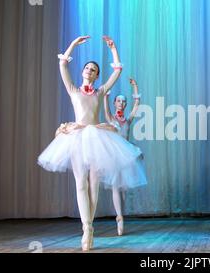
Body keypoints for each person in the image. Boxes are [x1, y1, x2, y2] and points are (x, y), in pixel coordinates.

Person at [38, 35, 143, 251]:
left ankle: (90, 226)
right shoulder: (73, 90)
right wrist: (73, 45)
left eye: (93, 69)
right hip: (77, 136)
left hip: (96, 136)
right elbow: (62, 64)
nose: (89, 70)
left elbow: (117, 71)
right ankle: (86, 228)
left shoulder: (100, 91)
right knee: (80, 183)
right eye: (87, 67)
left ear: (96, 76)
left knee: (93, 185)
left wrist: (113, 49)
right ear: (82, 71)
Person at [103, 78, 147, 236]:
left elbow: (137, 105)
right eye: (119, 100)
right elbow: (105, 105)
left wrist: (135, 87)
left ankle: (121, 216)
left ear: (125, 104)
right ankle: (119, 217)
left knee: (122, 190)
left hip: (127, 154)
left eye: (123, 101)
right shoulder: (111, 118)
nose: (121, 103)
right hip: (114, 155)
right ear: (115, 103)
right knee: (115, 186)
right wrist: (107, 94)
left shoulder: (128, 119)